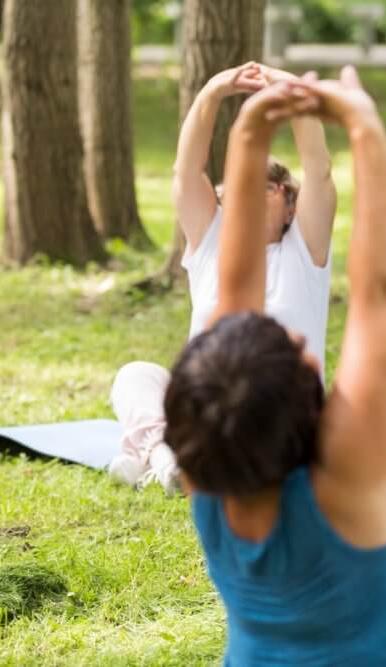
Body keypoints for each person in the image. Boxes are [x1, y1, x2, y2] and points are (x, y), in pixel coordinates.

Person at [160, 67, 386, 664]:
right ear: (305, 379)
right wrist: (364, 128)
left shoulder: (209, 478)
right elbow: (382, 293)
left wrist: (249, 135)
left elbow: (237, 287)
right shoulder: (348, 483)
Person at [108, 63, 337, 494]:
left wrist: (293, 94)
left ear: (291, 206)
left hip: (281, 416)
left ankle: (155, 461)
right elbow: (186, 171)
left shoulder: (303, 253)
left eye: (265, 187)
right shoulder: (211, 241)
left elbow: (319, 169)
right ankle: (165, 458)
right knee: (135, 376)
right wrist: (211, 93)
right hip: (210, 411)